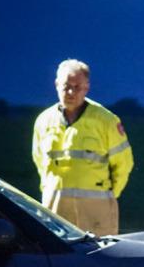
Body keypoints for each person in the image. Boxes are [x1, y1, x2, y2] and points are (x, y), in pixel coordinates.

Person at [32, 59, 134, 235]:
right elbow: (39, 161)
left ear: (87, 87)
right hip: (56, 207)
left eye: (77, 87)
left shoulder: (106, 120)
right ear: (56, 84)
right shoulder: (43, 121)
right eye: (66, 86)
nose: (71, 92)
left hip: (96, 211)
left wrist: (109, 195)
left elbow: (124, 163)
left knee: (101, 258)